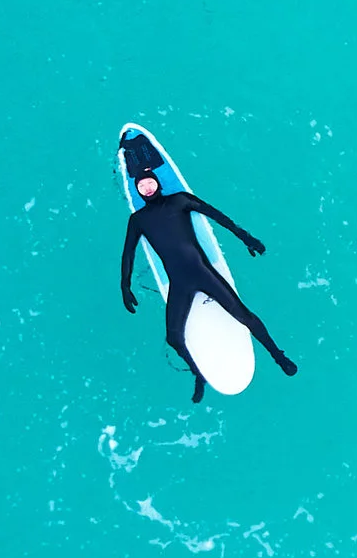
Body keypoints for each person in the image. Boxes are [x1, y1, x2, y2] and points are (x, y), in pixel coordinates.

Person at [119, 138, 297, 400]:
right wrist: (125, 284)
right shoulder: (138, 220)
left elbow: (216, 215)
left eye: (149, 182)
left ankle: (278, 356)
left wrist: (246, 237)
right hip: (179, 283)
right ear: (138, 190)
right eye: (141, 186)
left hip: (203, 272)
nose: (146, 187)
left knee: (244, 316)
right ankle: (198, 375)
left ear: (157, 183)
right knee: (174, 338)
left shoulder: (180, 200)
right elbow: (128, 252)